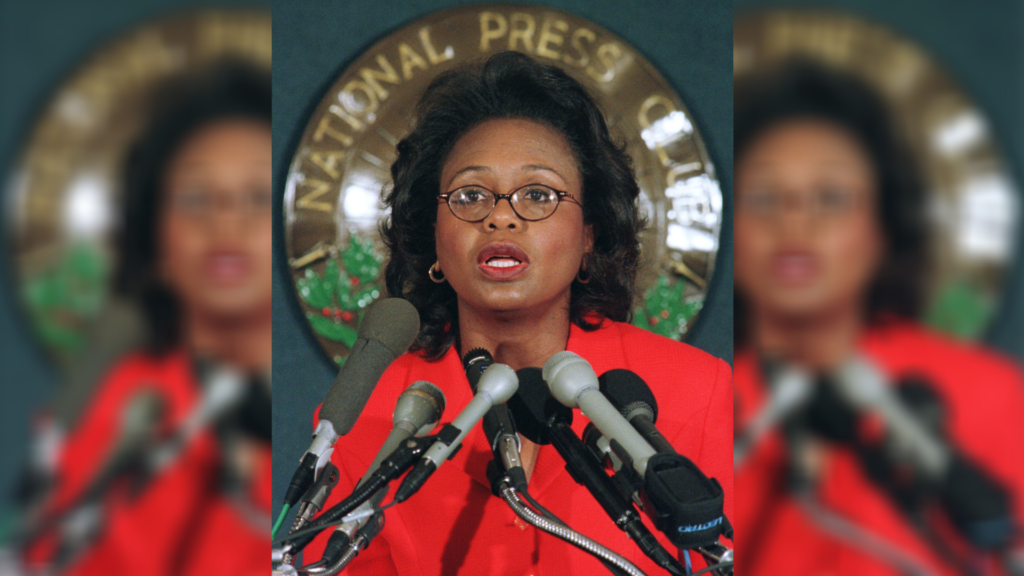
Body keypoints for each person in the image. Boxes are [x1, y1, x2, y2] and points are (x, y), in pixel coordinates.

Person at [300, 51, 734, 574]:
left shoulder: (698, 392)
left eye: (537, 194)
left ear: (588, 234)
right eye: (470, 195)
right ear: (433, 236)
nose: (501, 218)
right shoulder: (370, 415)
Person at [732, 59, 1024, 576]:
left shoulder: (995, 399)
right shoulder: (708, 402)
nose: (794, 221)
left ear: (884, 226)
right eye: (764, 197)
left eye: (830, 197)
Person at [21, 59, 273, 576]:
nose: (227, 221)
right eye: (197, 198)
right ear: (154, 236)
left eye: (258, 197)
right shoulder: (115, 416)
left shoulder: (344, 418)